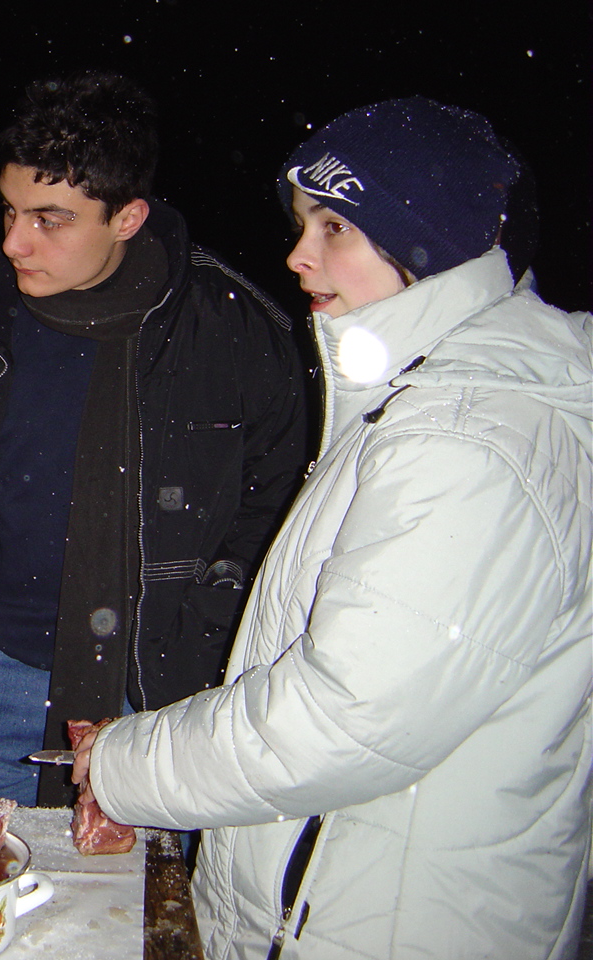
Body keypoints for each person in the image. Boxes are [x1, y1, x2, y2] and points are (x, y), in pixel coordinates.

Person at [75, 97, 592, 958]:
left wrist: (124, 765)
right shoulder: (427, 404)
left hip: (388, 924)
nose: (298, 254)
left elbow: (345, 719)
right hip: (353, 896)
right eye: (302, 224)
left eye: (336, 227)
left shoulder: (468, 444)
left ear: (431, 243)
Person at [0, 71, 308, 807]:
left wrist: (207, 629)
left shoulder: (234, 332)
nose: (14, 241)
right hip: (1, 674)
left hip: (170, 691)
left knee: (149, 880)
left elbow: (280, 499)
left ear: (127, 217)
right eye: (10, 211)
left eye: (51, 219)